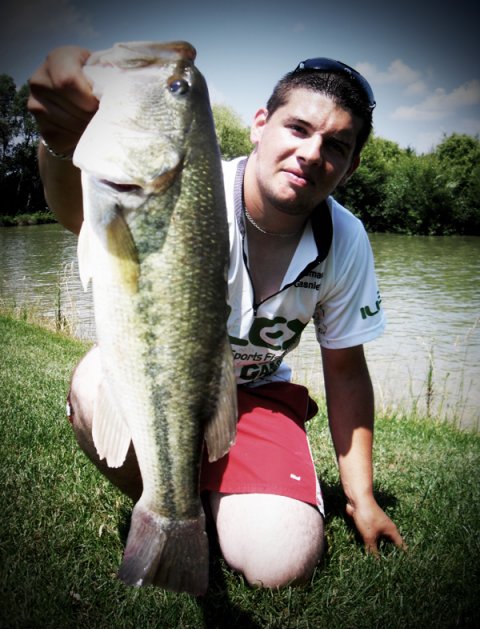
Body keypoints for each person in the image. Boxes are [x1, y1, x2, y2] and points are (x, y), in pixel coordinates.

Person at [28, 48, 405, 589]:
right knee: (93, 384)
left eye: (336, 146)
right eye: (297, 128)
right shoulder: (187, 185)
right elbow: (79, 215)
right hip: (167, 382)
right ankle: (170, 500)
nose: (310, 153)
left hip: (257, 398)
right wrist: (61, 142)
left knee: (284, 564)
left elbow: (345, 371)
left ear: (351, 167)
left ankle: (204, 496)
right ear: (260, 124)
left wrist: (361, 497)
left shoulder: (345, 240)